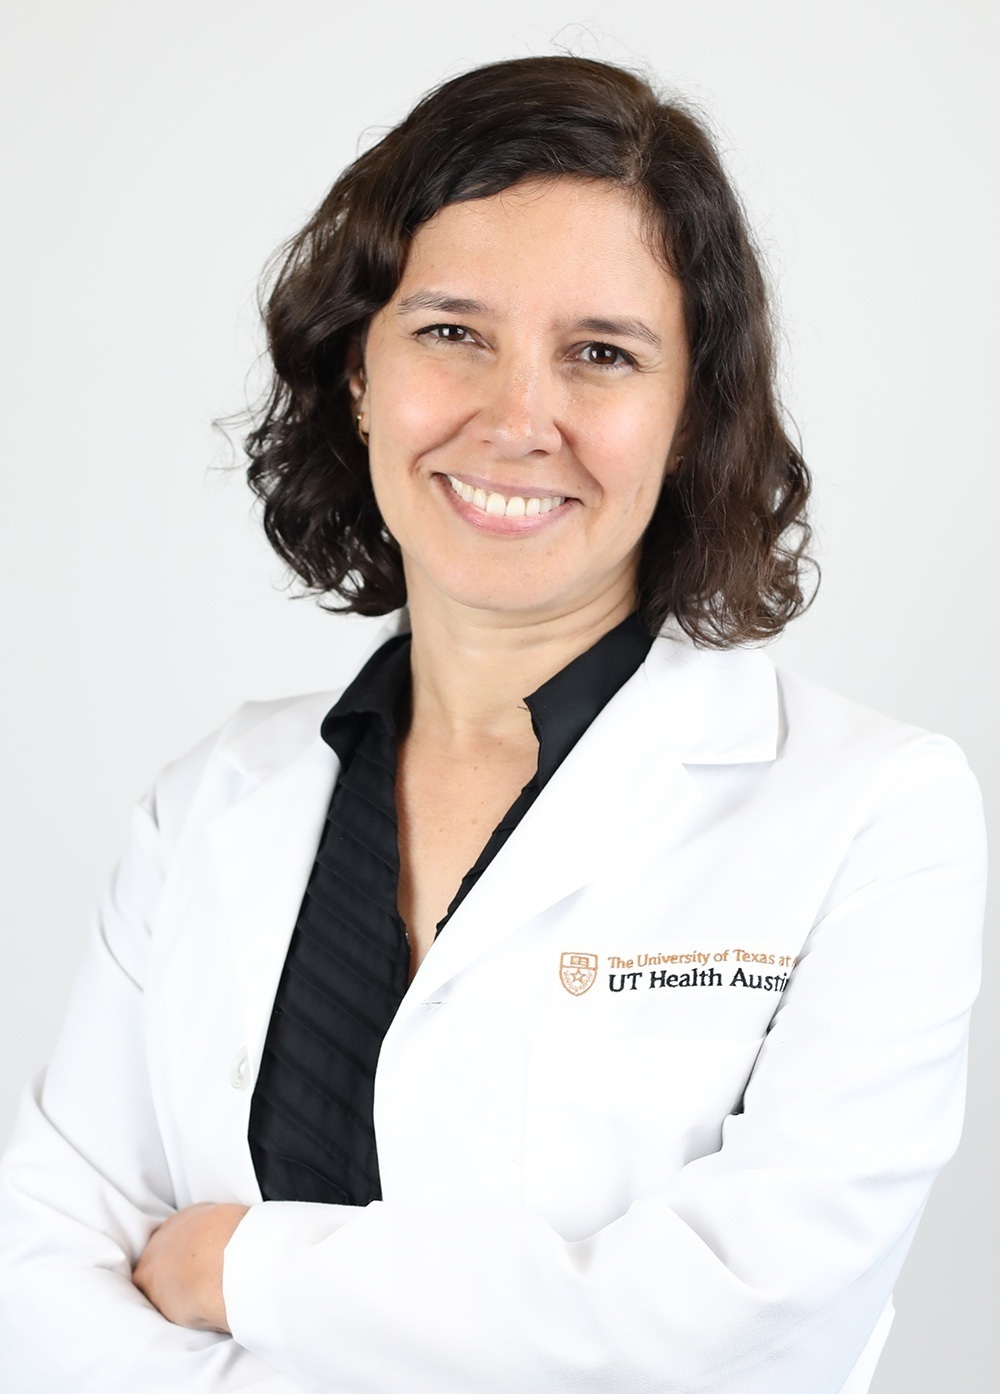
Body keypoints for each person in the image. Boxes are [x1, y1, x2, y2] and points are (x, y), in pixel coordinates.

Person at [0, 54, 986, 1394]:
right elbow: (44, 1267)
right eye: (453, 330)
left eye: (601, 353)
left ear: (691, 414)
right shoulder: (212, 800)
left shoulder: (880, 815)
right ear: (361, 370)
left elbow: (743, 1317)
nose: (520, 419)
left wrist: (248, 1269)